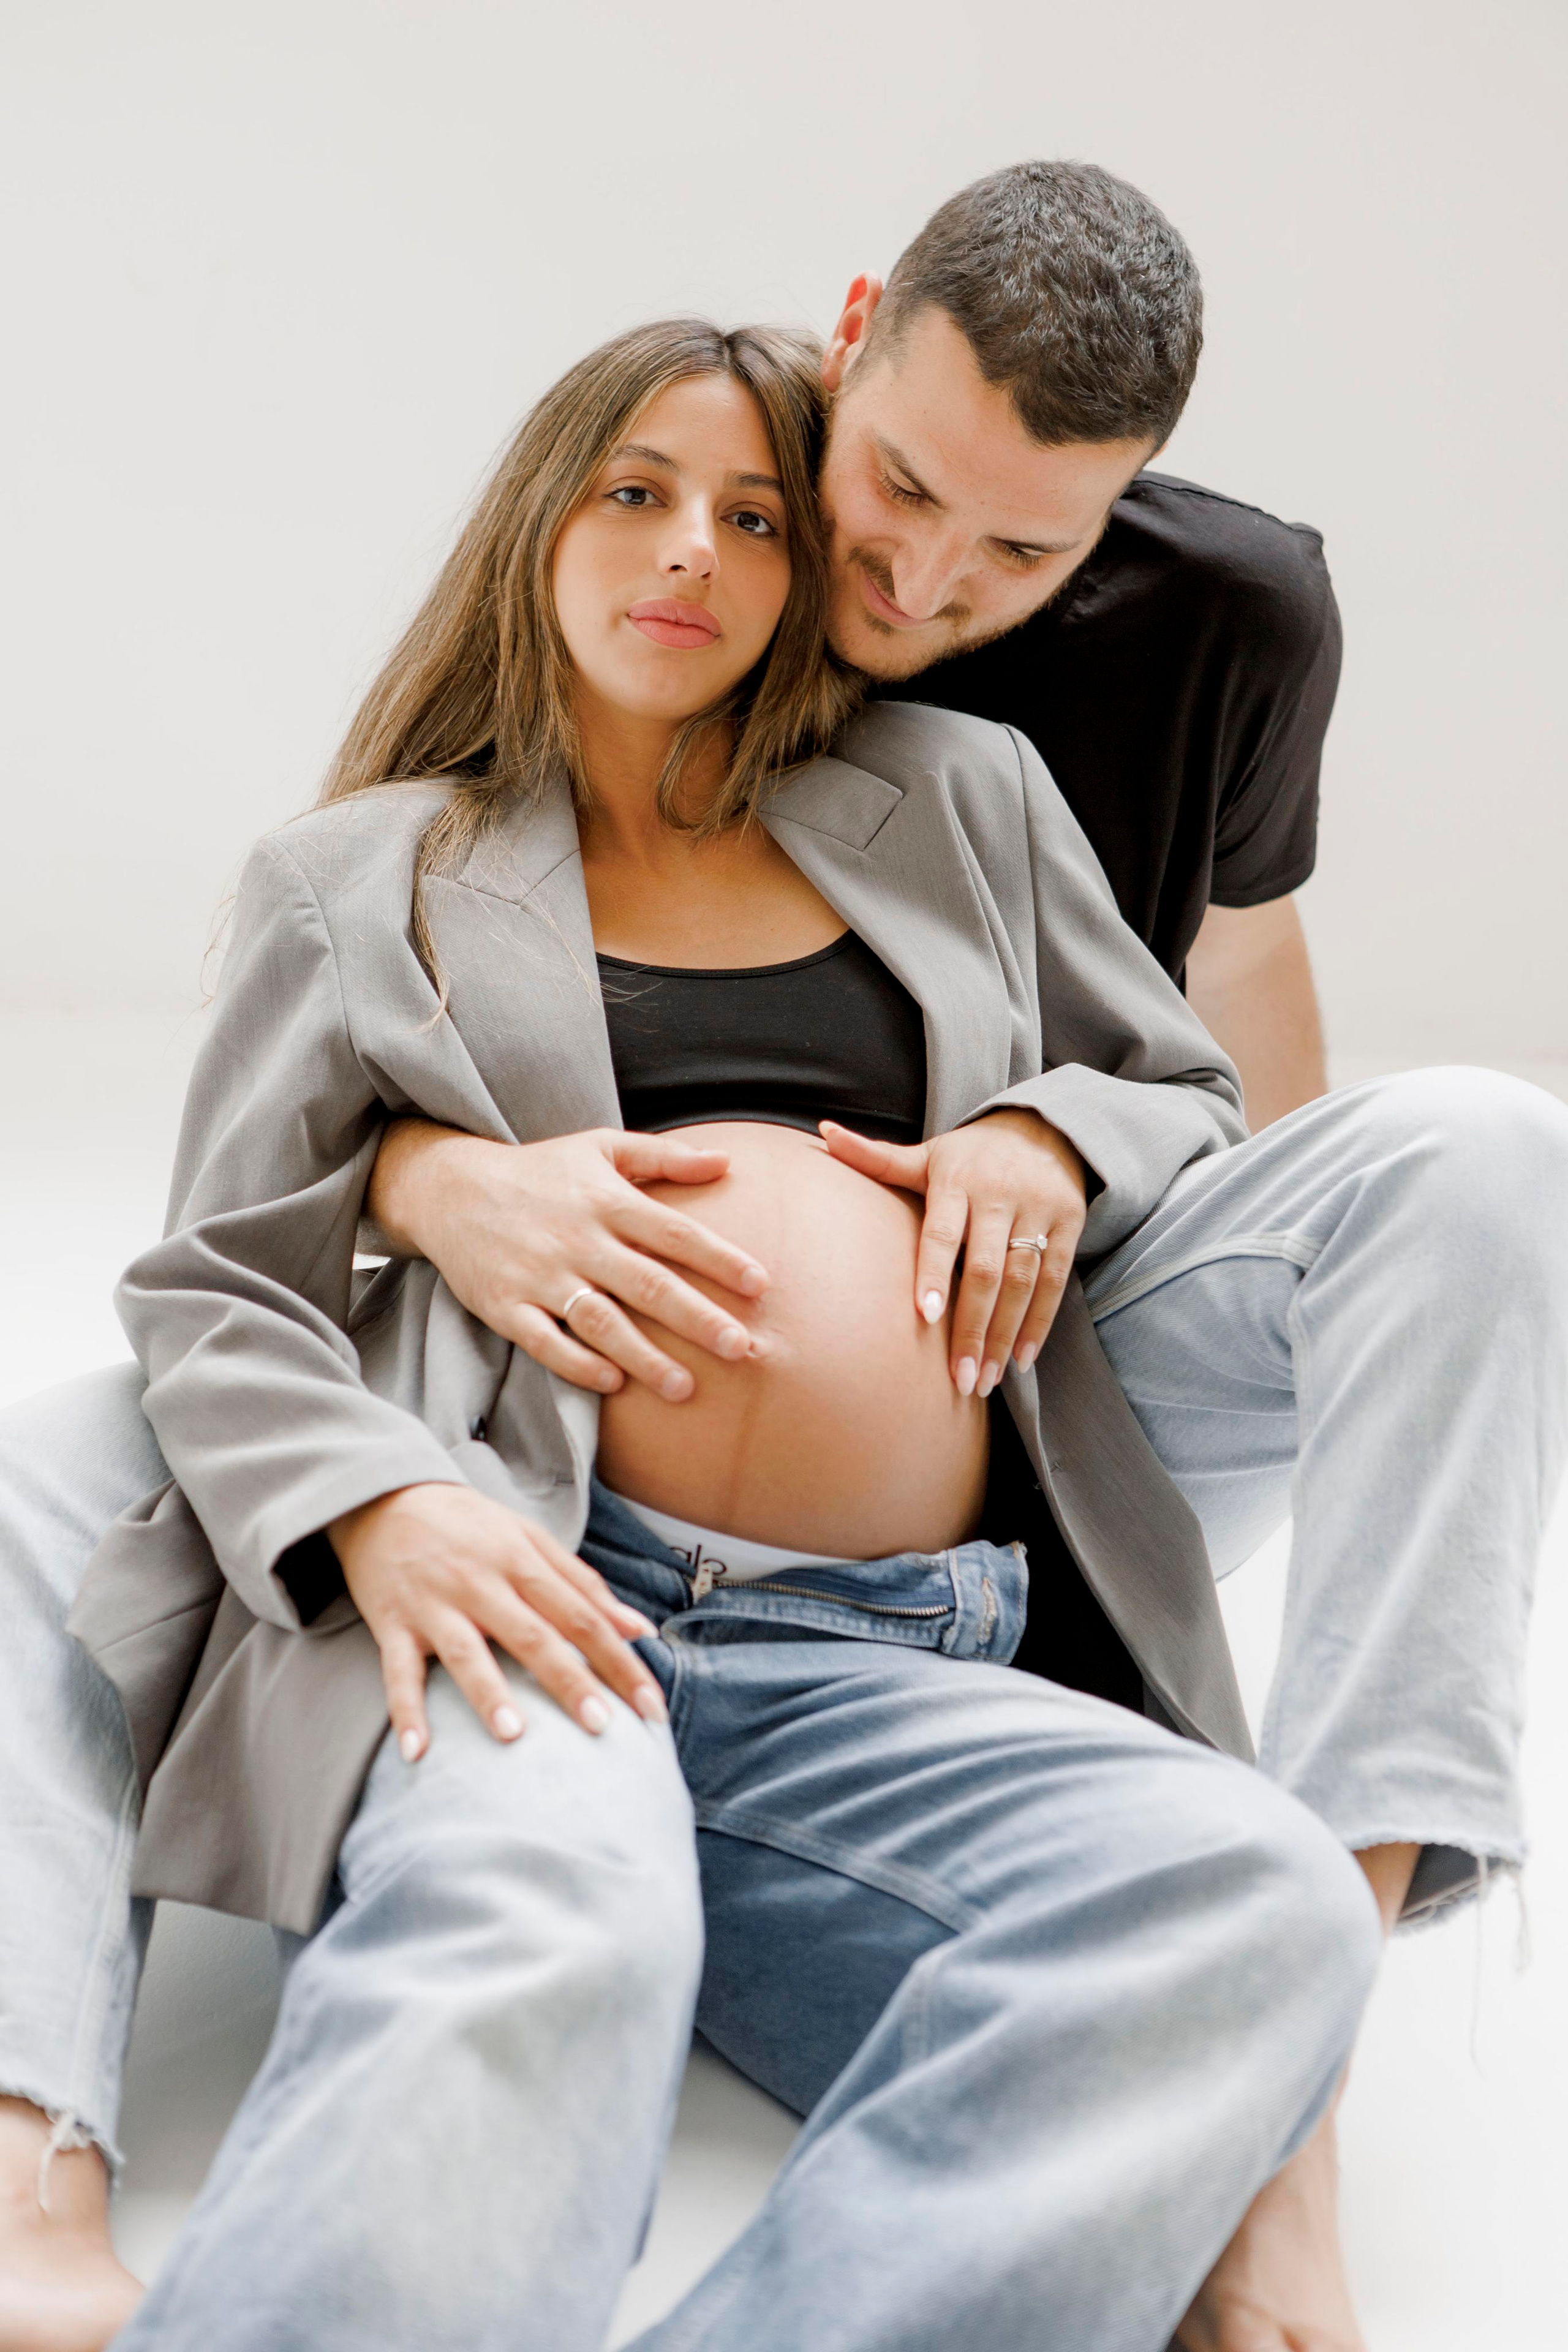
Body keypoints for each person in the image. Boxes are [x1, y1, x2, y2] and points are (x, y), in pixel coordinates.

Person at [0, 162, 1562, 2352]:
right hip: (550, 1572)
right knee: (546, 1937)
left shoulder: (966, 789)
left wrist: (1041, 1127)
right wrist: (394, 1415)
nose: (726, 556)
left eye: (750, 521)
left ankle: (1244, 2148)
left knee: (1251, 1897)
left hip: (909, 1639)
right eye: (642, 496)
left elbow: (1188, 1077)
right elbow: (214, 1276)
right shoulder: (364, 878)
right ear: (543, 517)